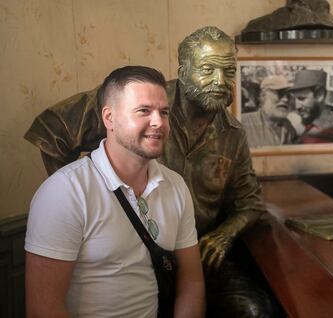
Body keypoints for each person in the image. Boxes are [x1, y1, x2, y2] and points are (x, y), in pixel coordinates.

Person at [24, 26, 281, 317]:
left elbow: (250, 201)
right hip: (128, 254)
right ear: (184, 70)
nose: (220, 82)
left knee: (256, 310)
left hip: (194, 254)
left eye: (229, 71)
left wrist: (225, 235)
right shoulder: (142, 97)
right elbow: (51, 130)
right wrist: (80, 197)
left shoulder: (231, 135)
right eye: (208, 69)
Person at [25, 66, 205, 318]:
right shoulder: (64, 192)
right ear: (109, 118)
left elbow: (192, 281)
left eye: (163, 112)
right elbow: (43, 309)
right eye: (144, 111)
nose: (158, 122)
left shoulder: (175, 185)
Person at [289, 69, 333, 143]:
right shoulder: (305, 124)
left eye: (302, 99)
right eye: (295, 99)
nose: (297, 106)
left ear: (320, 95)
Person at [241, 75, 296, 147]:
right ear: (263, 96)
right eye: (280, 93)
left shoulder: (289, 127)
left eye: (288, 95)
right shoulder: (244, 123)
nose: (285, 99)